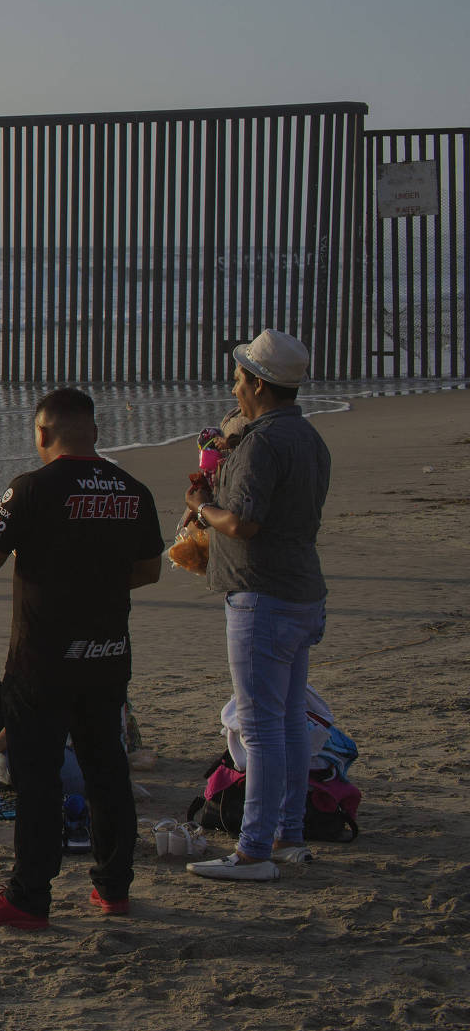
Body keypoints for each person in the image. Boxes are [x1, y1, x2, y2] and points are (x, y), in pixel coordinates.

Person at [0, 387, 163, 930]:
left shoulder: (31, 488)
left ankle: (29, 895)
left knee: (39, 775)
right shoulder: (132, 489)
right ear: (94, 432)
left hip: (42, 657)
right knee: (106, 770)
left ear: (41, 435)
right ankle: (114, 888)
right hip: (107, 651)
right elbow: (149, 570)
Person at [183, 329, 331, 883]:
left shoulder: (264, 442)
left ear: (261, 385)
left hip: (262, 596)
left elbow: (243, 522)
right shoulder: (308, 438)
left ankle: (253, 849)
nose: (235, 386)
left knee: (260, 727)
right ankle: (289, 835)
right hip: (301, 591)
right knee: (288, 719)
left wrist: (202, 507)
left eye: (242, 377)